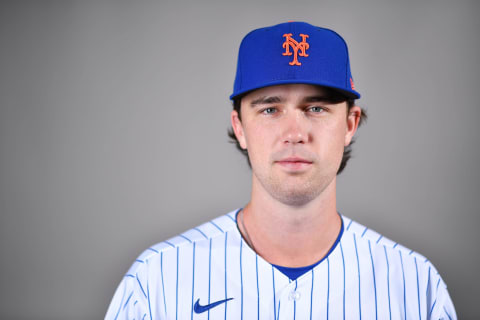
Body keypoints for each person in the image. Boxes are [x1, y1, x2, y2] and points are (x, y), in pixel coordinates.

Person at [105, 21, 456, 319]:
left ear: (350, 124)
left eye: (316, 108)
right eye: (270, 110)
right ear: (239, 127)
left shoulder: (415, 284)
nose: (294, 134)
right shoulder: (157, 279)